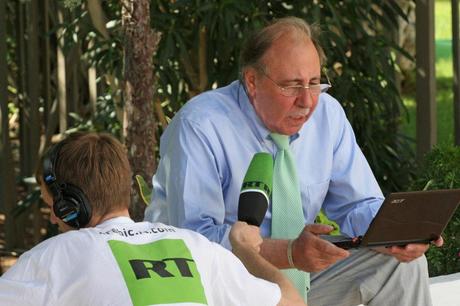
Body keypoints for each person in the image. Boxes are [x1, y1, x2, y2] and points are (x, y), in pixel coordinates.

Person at [144, 16, 441, 305]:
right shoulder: (200, 126)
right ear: (252, 82)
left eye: (314, 82)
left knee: (403, 265)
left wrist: (398, 233)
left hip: (302, 280)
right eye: (291, 85)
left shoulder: (328, 115)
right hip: (221, 287)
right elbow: (196, 243)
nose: (307, 101)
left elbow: (358, 204)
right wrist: (288, 253)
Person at [0, 132, 305, 306]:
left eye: (53, 204)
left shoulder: (55, 258)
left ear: (71, 206)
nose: (53, 217)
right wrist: (246, 250)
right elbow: (293, 303)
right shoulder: (197, 248)